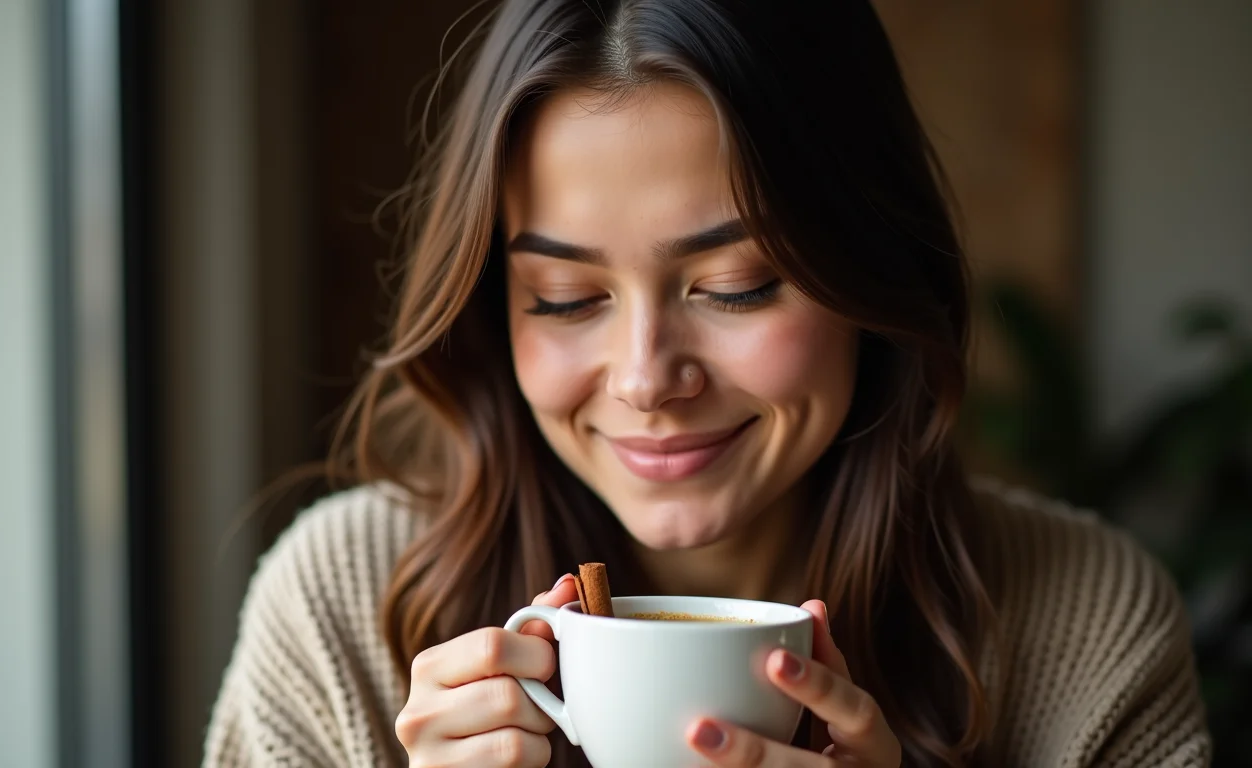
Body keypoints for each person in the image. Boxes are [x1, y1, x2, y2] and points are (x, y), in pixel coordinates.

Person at [202, 1, 1212, 766]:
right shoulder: (344, 606)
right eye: (561, 297)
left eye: (735, 286)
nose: (645, 379)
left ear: (873, 270)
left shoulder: (1080, 628)